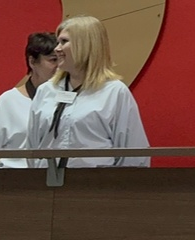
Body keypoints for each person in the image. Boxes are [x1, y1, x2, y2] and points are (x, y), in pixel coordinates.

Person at [27, 15, 149, 168]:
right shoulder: (46, 90)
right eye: (58, 42)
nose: (57, 49)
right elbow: (32, 147)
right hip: (47, 180)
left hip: (95, 181)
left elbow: (133, 153)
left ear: (85, 46)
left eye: (64, 42)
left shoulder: (114, 92)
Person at [0, 31, 58, 169]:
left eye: (62, 59)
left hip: (56, 179)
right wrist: (6, 178)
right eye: (53, 60)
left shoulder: (69, 100)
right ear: (32, 61)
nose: (59, 66)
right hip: (14, 178)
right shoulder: (9, 101)